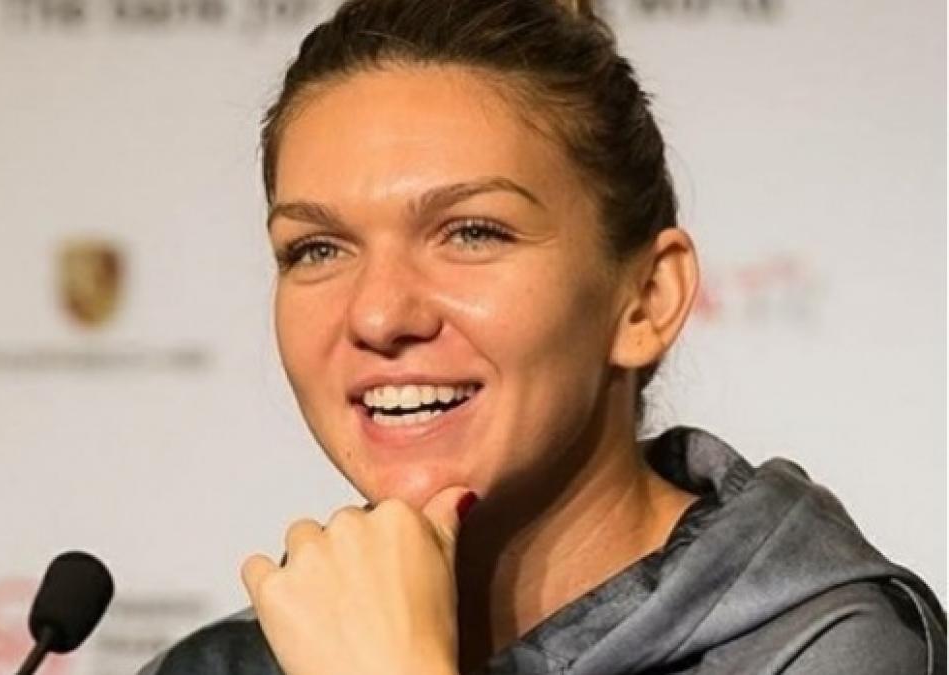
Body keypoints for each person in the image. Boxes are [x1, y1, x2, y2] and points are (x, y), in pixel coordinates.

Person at [140, 0, 946, 672]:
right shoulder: (219, 666)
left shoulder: (824, 651)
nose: (378, 316)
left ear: (647, 299)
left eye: (472, 232)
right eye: (317, 248)